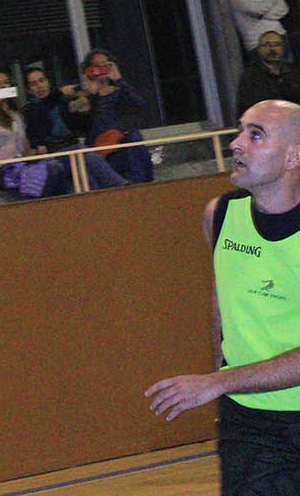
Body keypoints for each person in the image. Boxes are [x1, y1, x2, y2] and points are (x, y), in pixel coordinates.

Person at [146, 99, 300, 492]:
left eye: (256, 135)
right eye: (240, 130)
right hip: (250, 428)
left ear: (292, 156)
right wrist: (223, 386)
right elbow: (221, 304)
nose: (236, 143)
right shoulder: (219, 215)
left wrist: (218, 382)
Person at [22, 67, 128, 192]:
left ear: (48, 82)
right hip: (53, 155)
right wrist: (59, 93)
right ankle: (121, 186)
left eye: (41, 81)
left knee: (86, 171)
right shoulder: (30, 109)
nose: (40, 86)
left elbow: (83, 127)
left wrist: (87, 110)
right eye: (34, 84)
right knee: (80, 152)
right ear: (29, 90)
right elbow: (41, 112)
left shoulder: (62, 102)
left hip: (73, 148)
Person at [65, 49, 151, 183]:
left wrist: (119, 80)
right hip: (100, 152)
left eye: (104, 65)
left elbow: (138, 105)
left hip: (122, 146)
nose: (101, 69)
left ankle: (140, 185)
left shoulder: (120, 91)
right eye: (96, 66)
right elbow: (80, 125)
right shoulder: (83, 96)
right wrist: (93, 95)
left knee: (135, 138)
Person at [236, 30, 300, 115]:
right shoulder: (251, 76)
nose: (272, 49)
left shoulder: (292, 70)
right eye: (267, 45)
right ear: (259, 49)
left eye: (277, 45)